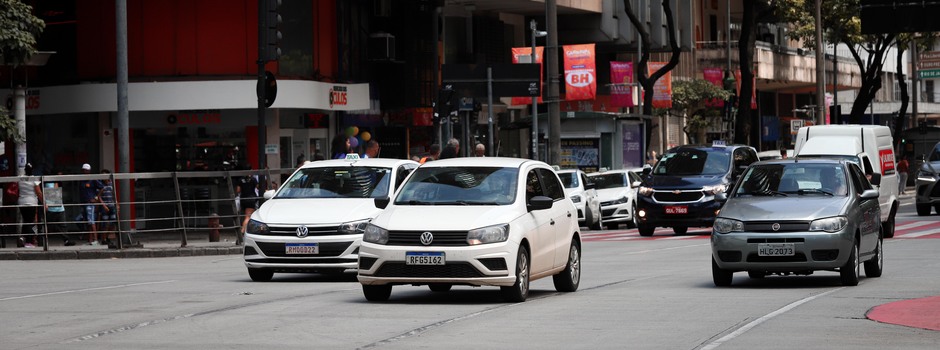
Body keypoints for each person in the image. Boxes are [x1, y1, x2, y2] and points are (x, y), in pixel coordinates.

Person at [43, 169, 75, 246]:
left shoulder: (58, 183)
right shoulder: (49, 183)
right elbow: (53, 195)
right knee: (48, 225)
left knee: (63, 225)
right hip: (51, 208)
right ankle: (40, 239)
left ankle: (66, 240)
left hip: (60, 208)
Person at [17, 163, 44, 248]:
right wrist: (44, 202)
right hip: (31, 202)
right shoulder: (34, 179)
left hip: (21, 202)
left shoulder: (20, 178)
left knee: (26, 220)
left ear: (25, 169)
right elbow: (39, 192)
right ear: (32, 170)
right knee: (30, 221)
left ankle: (22, 237)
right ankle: (28, 241)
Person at [79, 163, 105, 245]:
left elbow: (102, 188)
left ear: (89, 171)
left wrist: (96, 198)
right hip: (84, 202)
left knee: (92, 221)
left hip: (90, 203)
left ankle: (95, 239)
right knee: (88, 222)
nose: (84, 172)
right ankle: (90, 240)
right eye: (83, 170)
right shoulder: (82, 179)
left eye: (86, 170)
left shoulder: (93, 179)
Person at [236, 165, 260, 235]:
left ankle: (246, 230)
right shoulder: (253, 179)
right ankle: (242, 231)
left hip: (243, 199)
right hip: (251, 199)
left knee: (246, 216)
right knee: (248, 216)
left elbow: (238, 190)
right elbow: (258, 187)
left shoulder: (240, 180)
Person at [97, 169, 117, 245]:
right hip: (104, 206)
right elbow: (98, 196)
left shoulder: (111, 184)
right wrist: (104, 205)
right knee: (104, 223)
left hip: (112, 205)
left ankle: (107, 237)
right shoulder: (100, 185)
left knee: (113, 222)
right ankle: (103, 239)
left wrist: (116, 204)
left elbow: (114, 194)